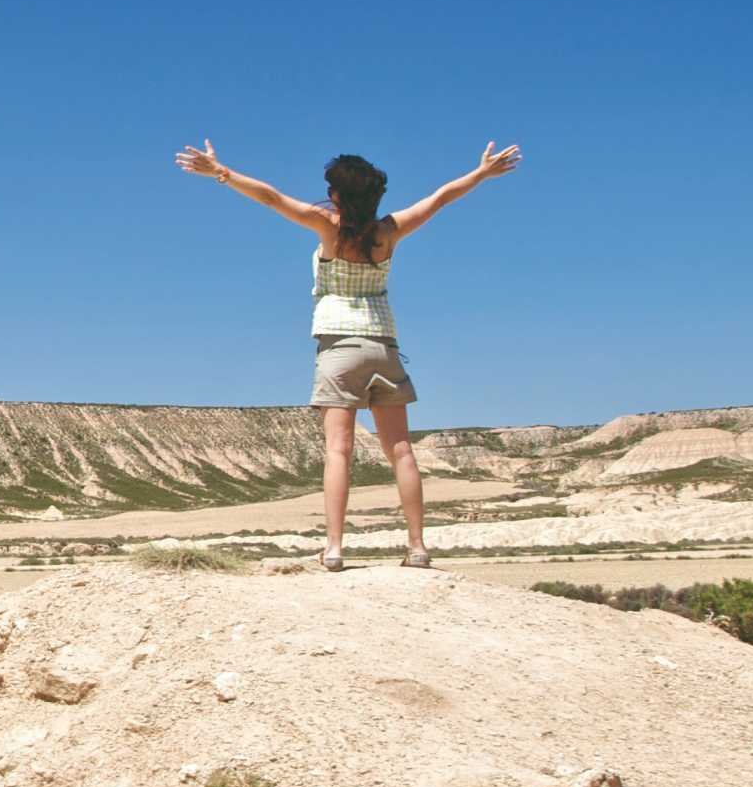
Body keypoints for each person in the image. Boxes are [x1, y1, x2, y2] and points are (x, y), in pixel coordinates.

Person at [173, 139, 521, 570]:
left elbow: (271, 197)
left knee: (339, 450)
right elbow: (440, 199)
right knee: (402, 451)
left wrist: (221, 173)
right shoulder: (389, 232)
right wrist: (481, 173)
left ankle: (335, 548)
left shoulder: (328, 227)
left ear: (337, 195)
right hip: (383, 347)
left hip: (338, 346)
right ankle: (417, 547)